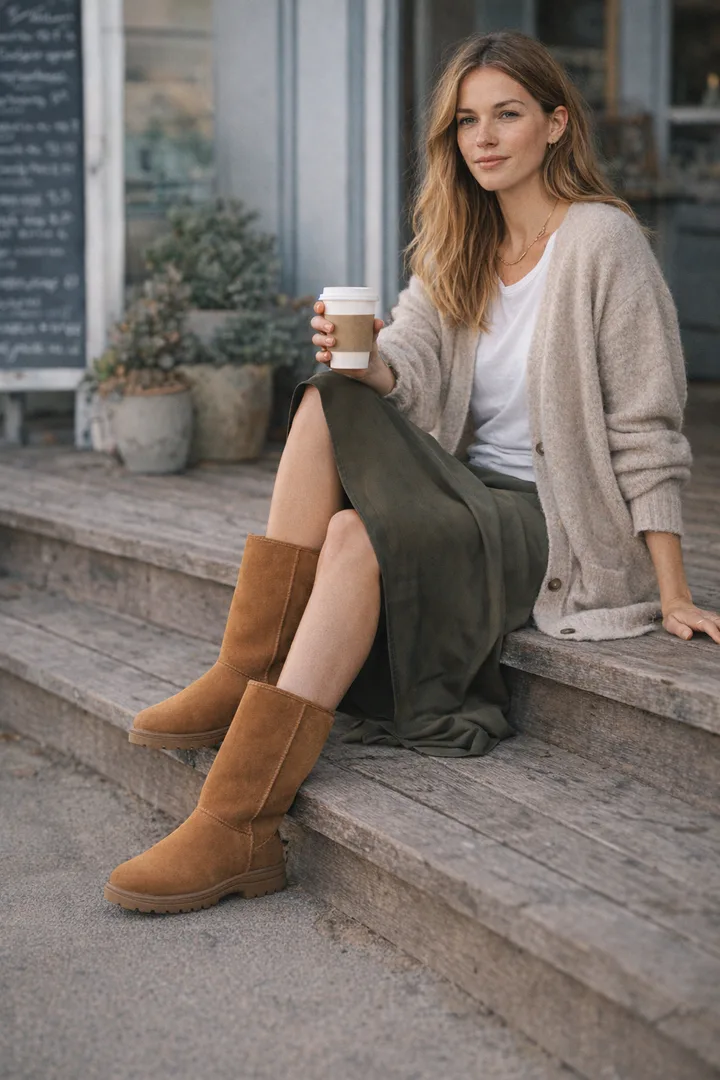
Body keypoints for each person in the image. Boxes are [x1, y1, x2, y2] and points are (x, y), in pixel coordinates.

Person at [104, 30, 720, 914]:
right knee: (327, 397)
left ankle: (236, 811)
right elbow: (410, 366)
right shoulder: (456, 241)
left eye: (508, 115)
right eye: (468, 120)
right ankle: (245, 687)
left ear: (555, 124)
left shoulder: (602, 243)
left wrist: (670, 589)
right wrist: (367, 366)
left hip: (555, 524)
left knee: (357, 538)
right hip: (464, 494)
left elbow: (648, 427)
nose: (485, 137)